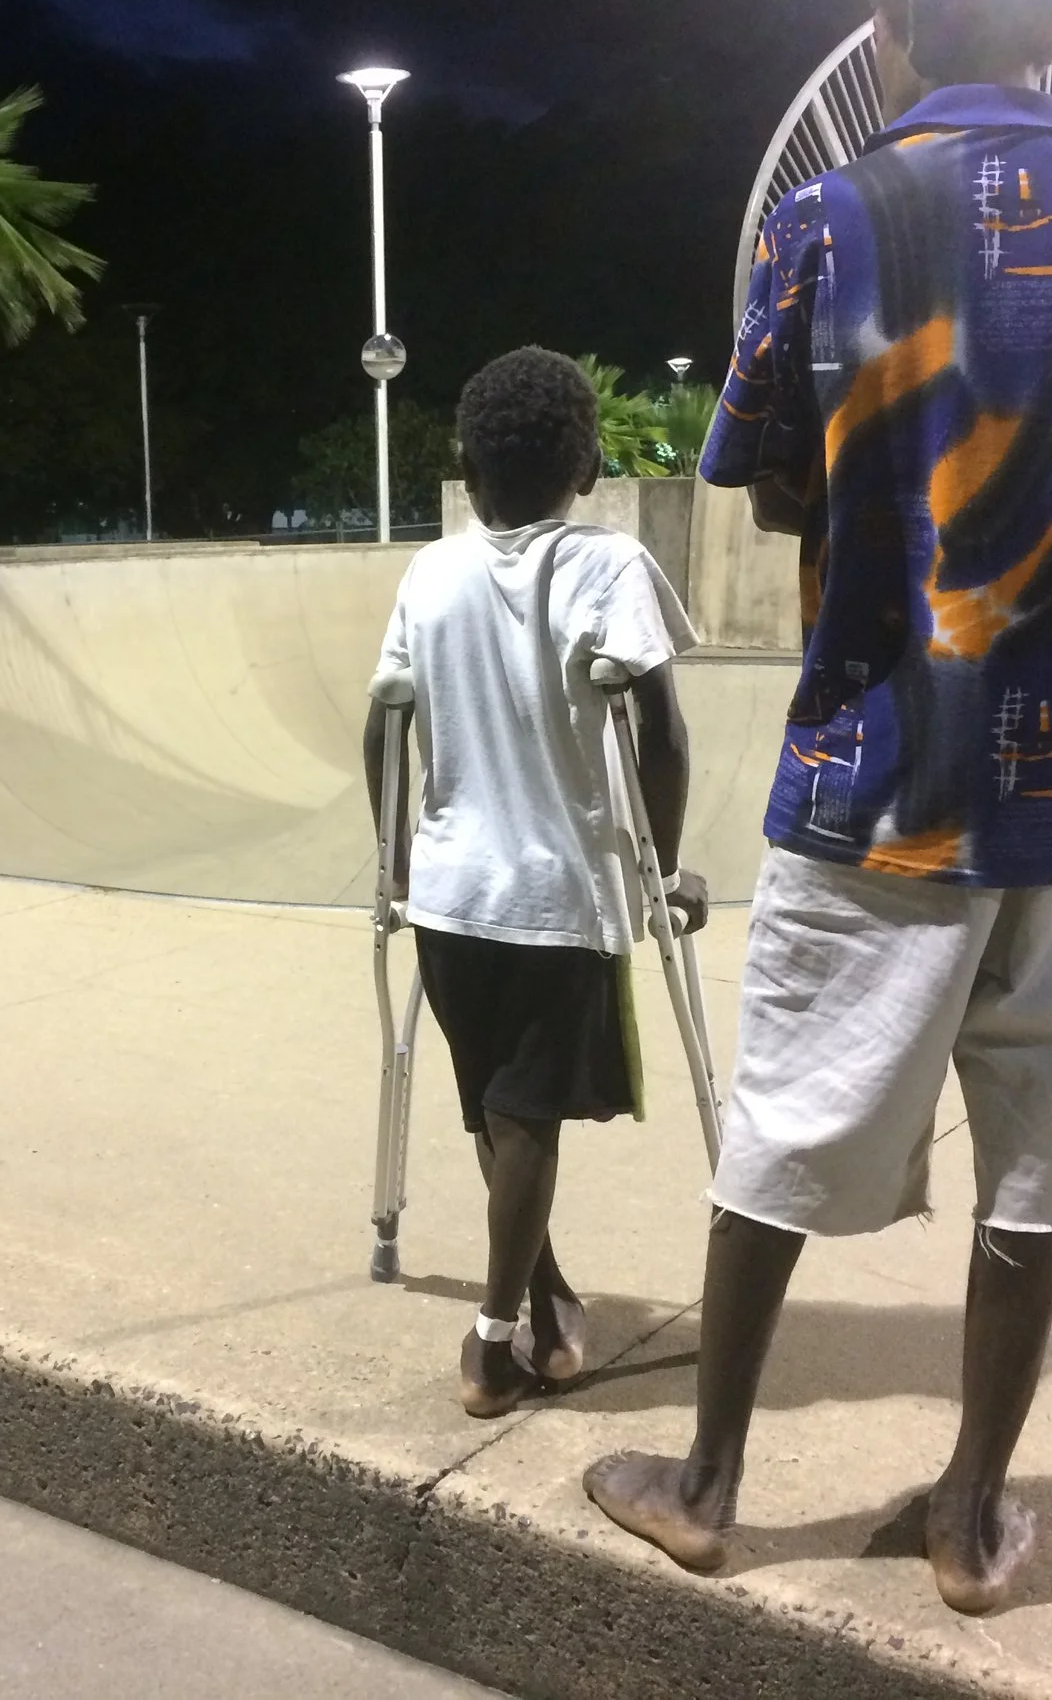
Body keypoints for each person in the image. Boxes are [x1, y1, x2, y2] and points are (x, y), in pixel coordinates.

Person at [583, 0, 1052, 1611]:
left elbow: (780, 492)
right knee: (1041, 1139)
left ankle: (713, 1481)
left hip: (883, 768)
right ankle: (972, 1517)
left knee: (791, 1116)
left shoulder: (823, 221)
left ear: (889, 20)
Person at [365, 346, 709, 1419]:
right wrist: (664, 861)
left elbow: (383, 725)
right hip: (556, 896)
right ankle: (493, 1339)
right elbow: (660, 730)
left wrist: (397, 860)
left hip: (453, 897)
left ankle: (548, 1296)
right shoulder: (606, 566)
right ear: (590, 463)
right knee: (525, 1122)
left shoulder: (431, 573)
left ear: (466, 467)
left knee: (498, 1112)